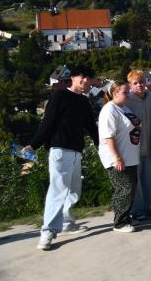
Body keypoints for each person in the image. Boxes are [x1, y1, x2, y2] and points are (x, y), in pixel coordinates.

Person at [24, 66, 98, 251]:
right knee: (58, 190)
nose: (87, 82)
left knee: (74, 190)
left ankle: (66, 223)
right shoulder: (59, 96)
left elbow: (91, 127)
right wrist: (33, 144)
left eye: (90, 79)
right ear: (73, 77)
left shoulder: (84, 102)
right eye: (84, 78)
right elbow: (47, 122)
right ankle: (47, 232)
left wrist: (102, 145)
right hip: (59, 150)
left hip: (75, 152)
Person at [97, 81, 140, 233]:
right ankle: (119, 223)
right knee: (124, 189)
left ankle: (126, 217)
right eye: (125, 92)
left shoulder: (124, 108)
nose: (128, 94)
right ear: (114, 93)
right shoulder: (109, 110)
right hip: (117, 159)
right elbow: (108, 137)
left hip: (130, 157)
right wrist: (117, 158)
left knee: (131, 189)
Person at [127, 70, 151, 221]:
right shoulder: (128, 99)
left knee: (149, 180)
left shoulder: (150, 96)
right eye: (135, 83)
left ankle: (147, 206)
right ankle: (137, 210)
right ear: (130, 85)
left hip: (149, 145)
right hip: (134, 148)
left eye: (141, 82)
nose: (139, 85)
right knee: (136, 181)